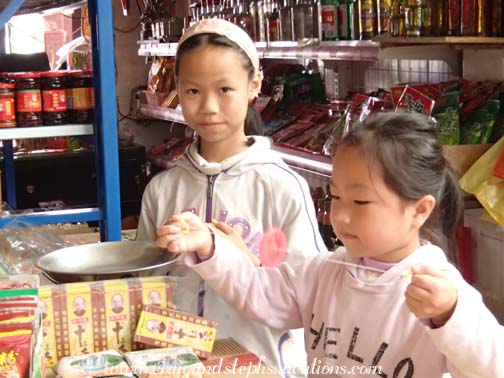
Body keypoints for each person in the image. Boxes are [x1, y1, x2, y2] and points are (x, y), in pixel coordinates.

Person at [158, 112, 504, 377]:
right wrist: (210, 247)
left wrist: (448, 316)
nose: (341, 215)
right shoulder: (326, 271)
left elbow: (493, 366)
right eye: (336, 196)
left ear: (420, 210)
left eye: (361, 202)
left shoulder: (439, 291)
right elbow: (259, 293)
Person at [136, 18, 326, 373]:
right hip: (178, 365)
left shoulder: (280, 187)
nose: (208, 106)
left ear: (254, 85)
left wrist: (247, 261)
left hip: (262, 365)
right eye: (193, 91)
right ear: (178, 89)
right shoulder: (162, 190)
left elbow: (309, 292)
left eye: (224, 89)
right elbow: (144, 285)